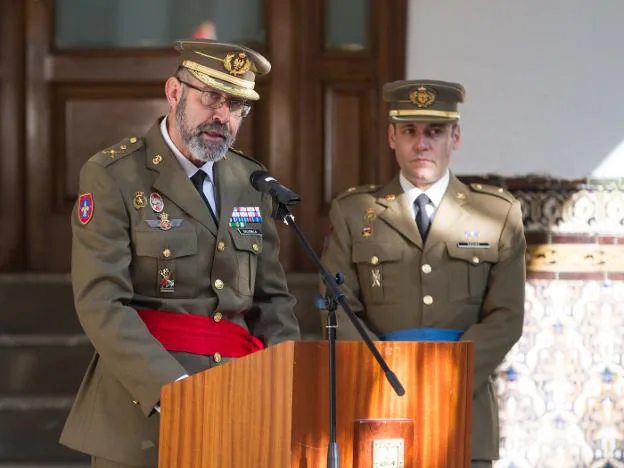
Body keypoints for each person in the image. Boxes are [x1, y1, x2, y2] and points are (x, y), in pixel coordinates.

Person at [60, 39, 300, 468]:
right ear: (174, 92)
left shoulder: (251, 180)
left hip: (241, 403)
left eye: (237, 105)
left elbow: (271, 300)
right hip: (146, 408)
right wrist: (174, 389)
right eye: (211, 97)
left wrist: (282, 383)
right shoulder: (114, 174)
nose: (221, 116)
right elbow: (101, 303)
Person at [320, 80, 526, 467]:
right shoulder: (352, 212)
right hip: (379, 401)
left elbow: (507, 315)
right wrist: (386, 373)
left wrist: (449, 375)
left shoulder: (498, 213)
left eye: (435, 131)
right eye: (410, 131)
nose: (422, 144)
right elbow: (339, 308)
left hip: (464, 406)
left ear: (456, 136)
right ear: (391, 136)